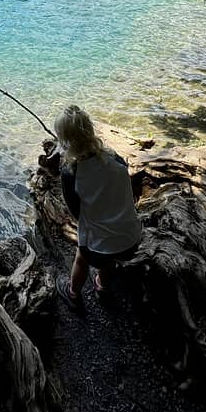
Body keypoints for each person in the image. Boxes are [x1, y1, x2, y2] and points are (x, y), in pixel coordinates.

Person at [50, 105, 142, 309]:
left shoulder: (71, 172)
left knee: (82, 258)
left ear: (64, 141)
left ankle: (73, 293)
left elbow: (75, 210)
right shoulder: (115, 159)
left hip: (98, 248)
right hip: (131, 238)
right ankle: (102, 285)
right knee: (110, 253)